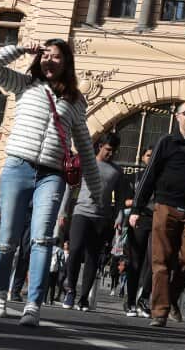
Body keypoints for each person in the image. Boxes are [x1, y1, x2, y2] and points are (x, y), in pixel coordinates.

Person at [0, 39, 108, 328]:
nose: (50, 60)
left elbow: (85, 146)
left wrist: (96, 190)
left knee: (42, 238)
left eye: (57, 56)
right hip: (18, 167)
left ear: (67, 63)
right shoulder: (24, 83)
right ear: (39, 59)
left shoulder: (75, 101)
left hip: (52, 174)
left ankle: (33, 304)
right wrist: (21, 48)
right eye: (46, 55)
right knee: (8, 238)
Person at [132, 102, 185, 327]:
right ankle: (159, 312)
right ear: (177, 117)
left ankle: (169, 298)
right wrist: (137, 208)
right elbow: (150, 174)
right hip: (166, 207)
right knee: (161, 261)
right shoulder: (166, 142)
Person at [62, 132, 124, 312]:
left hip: (102, 218)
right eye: (108, 150)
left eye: (114, 151)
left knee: (93, 258)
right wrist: (63, 211)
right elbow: (70, 187)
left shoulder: (117, 171)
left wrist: (119, 217)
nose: (111, 154)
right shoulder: (85, 163)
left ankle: (83, 298)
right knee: (74, 251)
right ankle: (71, 290)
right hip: (81, 213)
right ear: (100, 147)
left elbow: (120, 198)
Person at [123, 147, 155, 317]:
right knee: (135, 262)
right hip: (140, 218)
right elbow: (124, 200)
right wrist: (137, 204)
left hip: (157, 220)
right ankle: (130, 302)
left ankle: (143, 298)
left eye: (154, 155)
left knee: (153, 261)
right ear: (142, 158)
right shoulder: (136, 177)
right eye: (148, 155)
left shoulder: (162, 176)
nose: (151, 158)